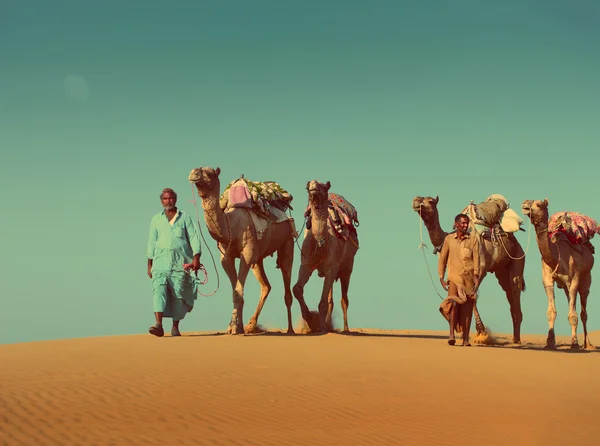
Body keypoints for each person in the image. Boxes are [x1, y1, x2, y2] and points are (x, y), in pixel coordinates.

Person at [147, 188, 202, 337]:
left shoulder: (185, 218)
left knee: (178, 294)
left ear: (175, 199)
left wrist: (196, 258)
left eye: (170, 198)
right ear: (161, 201)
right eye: (165, 199)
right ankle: (158, 325)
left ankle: (175, 326)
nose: (168, 201)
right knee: (158, 291)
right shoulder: (156, 219)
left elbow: (194, 238)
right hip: (160, 263)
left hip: (180, 264)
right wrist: (149, 264)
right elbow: (152, 242)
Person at [438, 213, 481, 346]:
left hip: (468, 280)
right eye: (462, 223)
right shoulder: (449, 239)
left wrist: (476, 276)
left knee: (467, 309)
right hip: (453, 278)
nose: (465, 225)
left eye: (466, 223)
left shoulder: (473, 239)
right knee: (453, 304)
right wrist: (441, 277)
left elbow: (477, 258)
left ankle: (466, 339)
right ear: (456, 224)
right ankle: (451, 335)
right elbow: (442, 259)